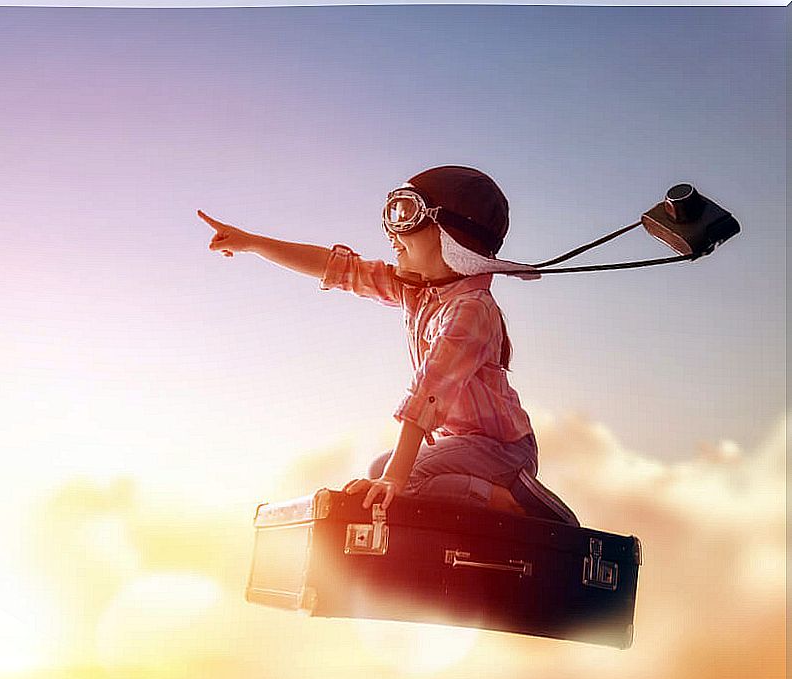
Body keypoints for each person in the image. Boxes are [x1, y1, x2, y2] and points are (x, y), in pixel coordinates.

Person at [198, 165, 578, 525]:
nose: (391, 234)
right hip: (464, 443)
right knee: (383, 468)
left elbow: (429, 389)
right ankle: (486, 498)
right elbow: (339, 269)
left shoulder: (472, 309)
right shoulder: (417, 290)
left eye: (406, 216)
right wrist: (253, 243)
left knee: (402, 478)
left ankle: (514, 500)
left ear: (449, 237)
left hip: (502, 449)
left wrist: (396, 479)